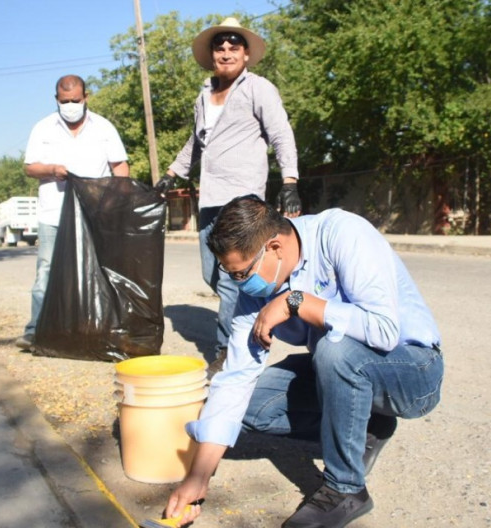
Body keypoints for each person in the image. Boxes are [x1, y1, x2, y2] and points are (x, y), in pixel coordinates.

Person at [163, 196, 445, 528]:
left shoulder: (342, 234)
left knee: (334, 348)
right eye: (231, 274)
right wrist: (198, 478)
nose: (240, 284)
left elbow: (383, 330)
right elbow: (237, 375)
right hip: (346, 371)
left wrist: (295, 301)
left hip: (414, 370)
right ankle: (370, 424)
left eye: (242, 273)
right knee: (250, 406)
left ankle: (345, 489)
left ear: (274, 247)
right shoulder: (254, 289)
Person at [154, 17, 302, 362]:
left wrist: (290, 181)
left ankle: (227, 352)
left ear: (246, 54)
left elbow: (281, 134)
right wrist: (172, 173)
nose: (226, 52)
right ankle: (250, 319)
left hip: (242, 197)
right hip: (210, 198)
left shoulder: (258, 88)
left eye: (234, 46)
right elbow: (196, 142)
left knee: (231, 279)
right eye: (219, 47)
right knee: (212, 274)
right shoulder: (204, 95)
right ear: (212, 55)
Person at [15, 74, 130, 351]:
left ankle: (99, 329)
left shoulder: (104, 128)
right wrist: (51, 170)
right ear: (56, 99)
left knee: (97, 272)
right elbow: (30, 167)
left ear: (86, 97)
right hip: (53, 214)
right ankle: (36, 330)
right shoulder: (43, 128)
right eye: (64, 101)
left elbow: (120, 167)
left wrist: (116, 201)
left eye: (75, 101)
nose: (70, 106)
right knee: (47, 271)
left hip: (94, 214)